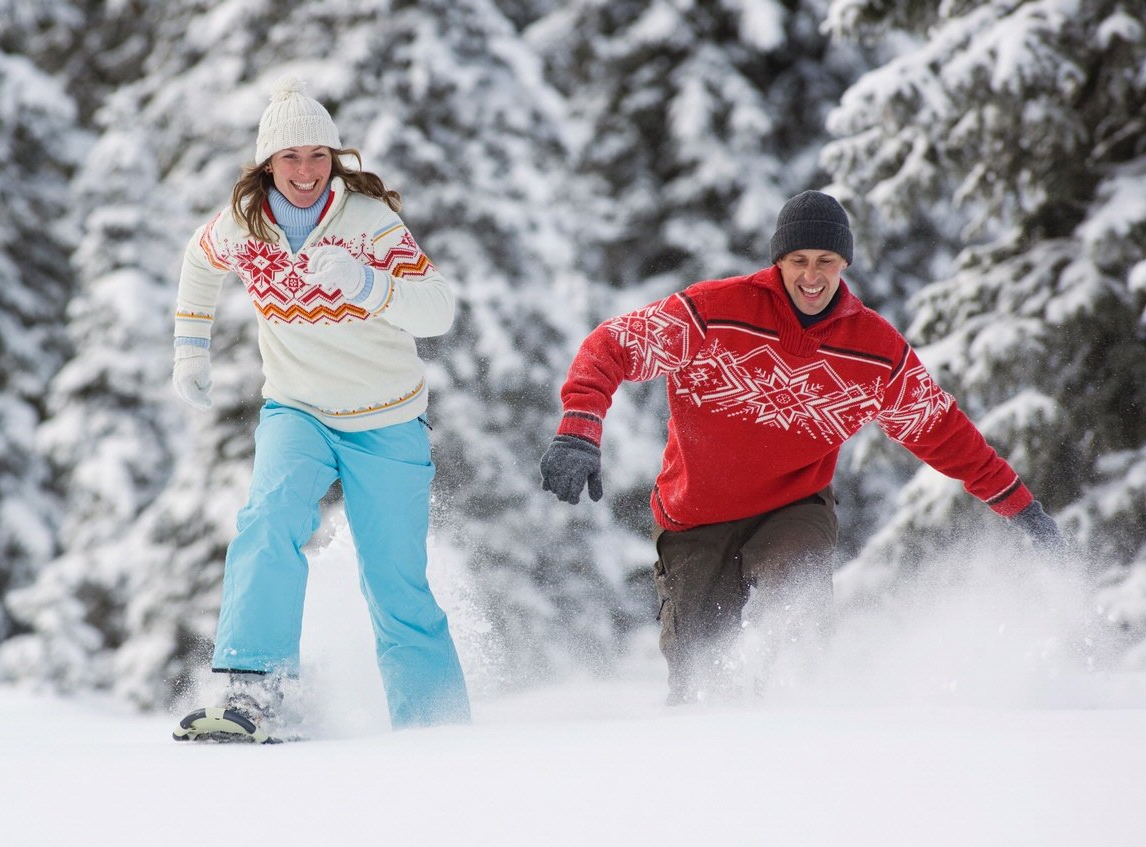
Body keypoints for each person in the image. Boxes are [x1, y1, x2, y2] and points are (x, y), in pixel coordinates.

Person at [539, 190, 1063, 704]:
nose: (812, 276)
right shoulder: (712, 313)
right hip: (695, 514)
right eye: (799, 261)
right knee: (699, 676)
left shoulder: (874, 352)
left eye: (826, 261)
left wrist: (1020, 507)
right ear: (779, 262)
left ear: (844, 264)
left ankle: (794, 710)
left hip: (793, 506)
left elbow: (943, 431)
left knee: (794, 603)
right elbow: (611, 345)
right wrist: (579, 430)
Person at [171, 75, 471, 738]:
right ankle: (254, 692)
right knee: (267, 520)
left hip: (387, 418)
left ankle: (435, 727)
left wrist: (368, 283)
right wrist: (191, 348)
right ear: (267, 164)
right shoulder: (244, 225)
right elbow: (199, 260)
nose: (305, 171)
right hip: (297, 410)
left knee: (396, 581)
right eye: (290, 157)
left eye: (317, 155)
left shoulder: (370, 223)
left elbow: (438, 310)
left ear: (334, 158)